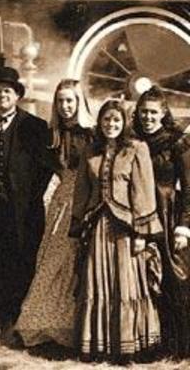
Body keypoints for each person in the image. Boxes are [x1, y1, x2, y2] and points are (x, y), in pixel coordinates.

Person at [69, 99, 163, 361]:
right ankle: (99, 346)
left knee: (127, 285)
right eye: (106, 120)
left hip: (126, 228)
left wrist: (142, 234)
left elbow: (143, 192)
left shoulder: (136, 149)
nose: (111, 124)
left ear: (124, 124)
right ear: (100, 122)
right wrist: (78, 227)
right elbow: (81, 192)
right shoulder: (91, 150)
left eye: (116, 120)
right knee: (98, 283)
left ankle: (129, 347)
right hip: (97, 226)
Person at [13, 79, 94, 347]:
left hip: (87, 200)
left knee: (75, 263)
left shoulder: (91, 133)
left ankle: (74, 329)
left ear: (79, 101)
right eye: (60, 101)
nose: (65, 106)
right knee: (52, 260)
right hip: (61, 200)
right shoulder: (53, 135)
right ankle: (43, 325)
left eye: (70, 100)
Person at [0, 66, 55, 321]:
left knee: (22, 260)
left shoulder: (35, 126)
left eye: (7, 91)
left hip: (24, 210)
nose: (1, 96)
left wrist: (27, 194)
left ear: (17, 95)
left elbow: (45, 168)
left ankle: (19, 318)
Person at [130, 87, 190, 356]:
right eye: (143, 112)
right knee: (141, 278)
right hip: (138, 216)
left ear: (163, 113)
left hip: (167, 215)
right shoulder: (131, 140)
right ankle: (147, 343)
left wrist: (184, 226)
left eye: (153, 112)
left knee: (172, 277)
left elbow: (189, 187)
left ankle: (179, 345)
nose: (148, 117)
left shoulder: (176, 142)